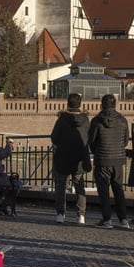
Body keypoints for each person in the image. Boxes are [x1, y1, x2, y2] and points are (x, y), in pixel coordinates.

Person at [88, 94, 130, 229]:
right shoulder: (123, 120)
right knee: (118, 189)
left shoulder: (96, 120)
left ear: (102, 105)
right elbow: (125, 141)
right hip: (118, 159)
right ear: (115, 104)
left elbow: (92, 141)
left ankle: (107, 220)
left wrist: (97, 151)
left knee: (104, 191)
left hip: (102, 159)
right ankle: (123, 219)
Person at [51, 93, 91, 225]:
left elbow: (54, 138)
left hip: (62, 156)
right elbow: (88, 137)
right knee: (79, 186)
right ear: (80, 104)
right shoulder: (85, 120)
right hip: (79, 158)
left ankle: (60, 214)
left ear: (67, 103)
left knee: (61, 186)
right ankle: (81, 216)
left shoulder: (62, 119)